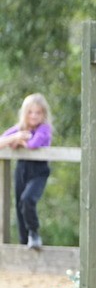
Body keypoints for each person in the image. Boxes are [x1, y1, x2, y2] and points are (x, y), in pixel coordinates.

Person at [0, 94, 54, 250]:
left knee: (27, 199)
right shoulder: (20, 129)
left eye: (38, 112)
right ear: (25, 113)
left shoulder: (45, 129)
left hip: (39, 171)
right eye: (30, 112)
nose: (34, 116)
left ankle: (34, 232)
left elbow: (34, 144)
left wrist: (19, 142)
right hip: (22, 170)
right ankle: (25, 241)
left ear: (43, 114)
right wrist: (15, 137)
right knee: (19, 205)